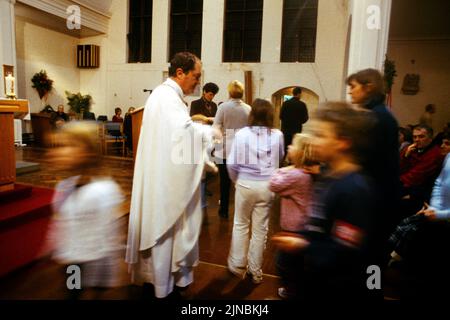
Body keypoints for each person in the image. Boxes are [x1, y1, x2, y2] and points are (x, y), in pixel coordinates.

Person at [125, 52, 215, 299]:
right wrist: (208, 134)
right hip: (164, 183)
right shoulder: (167, 98)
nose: (198, 82)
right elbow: (182, 136)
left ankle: (161, 282)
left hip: (162, 175)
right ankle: (162, 285)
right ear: (180, 73)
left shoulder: (165, 96)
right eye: (196, 76)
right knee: (164, 230)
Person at [272, 102, 377, 300]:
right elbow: (320, 226)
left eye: (321, 135)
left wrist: (303, 245)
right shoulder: (328, 176)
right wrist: (303, 237)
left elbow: (343, 252)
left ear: (342, 142)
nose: (314, 140)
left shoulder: (353, 189)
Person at [49, 122, 124, 299]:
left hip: (96, 260)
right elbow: (61, 220)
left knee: (92, 294)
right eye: (59, 145)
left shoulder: (103, 190)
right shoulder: (65, 185)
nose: (58, 151)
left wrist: (107, 272)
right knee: (73, 293)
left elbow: (110, 236)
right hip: (72, 261)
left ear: (88, 151)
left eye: (68, 145)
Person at [226, 99, 284, 284]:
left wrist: (237, 180)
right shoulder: (277, 135)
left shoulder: (242, 134)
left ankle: (237, 265)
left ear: (252, 115)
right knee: (260, 230)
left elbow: (232, 163)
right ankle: (256, 271)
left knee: (240, 224)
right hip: (267, 185)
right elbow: (280, 157)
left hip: (245, 184)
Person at [347, 68, 400, 269]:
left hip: (377, 205)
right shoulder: (376, 115)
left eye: (353, 87)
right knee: (369, 260)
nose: (350, 92)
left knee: (371, 262)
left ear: (368, 87)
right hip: (377, 202)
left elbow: (363, 162)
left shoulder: (376, 119)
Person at [269, 133, 315, 299]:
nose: (289, 147)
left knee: (284, 263)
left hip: (294, 229)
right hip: (303, 226)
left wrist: (283, 168)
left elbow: (273, 184)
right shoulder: (306, 174)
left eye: (293, 145)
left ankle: (291, 291)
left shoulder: (296, 176)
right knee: (296, 264)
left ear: (301, 153)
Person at [213, 80, 251, 219]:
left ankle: (223, 211)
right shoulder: (248, 108)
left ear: (229, 92)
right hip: (242, 149)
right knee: (241, 182)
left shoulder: (223, 107)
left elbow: (216, 126)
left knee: (224, 182)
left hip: (224, 149)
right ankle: (241, 211)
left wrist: (217, 144)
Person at [279, 87, 309, 155]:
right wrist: (298, 122)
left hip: (286, 130)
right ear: (299, 94)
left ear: (293, 93)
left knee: (285, 148)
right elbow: (305, 118)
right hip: (296, 131)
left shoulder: (285, 103)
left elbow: (281, 116)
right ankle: (292, 163)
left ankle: (283, 163)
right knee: (295, 148)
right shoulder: (302, 105)